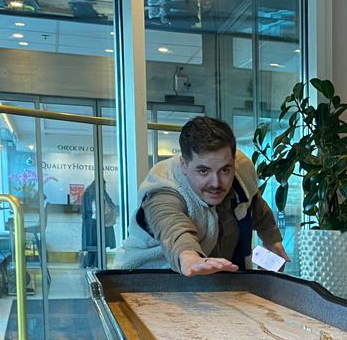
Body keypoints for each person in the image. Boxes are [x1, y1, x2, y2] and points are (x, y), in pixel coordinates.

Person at [115, 116, 289, 276]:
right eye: (203, 171)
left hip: (218, 283)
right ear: (184, 164)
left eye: (225, 170)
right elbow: (172, 226)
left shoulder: (242, 169)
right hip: (147, 281)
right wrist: (189, 256)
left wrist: (271, 239)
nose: (216, 183)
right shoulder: (162, 190)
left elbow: (255, 203)